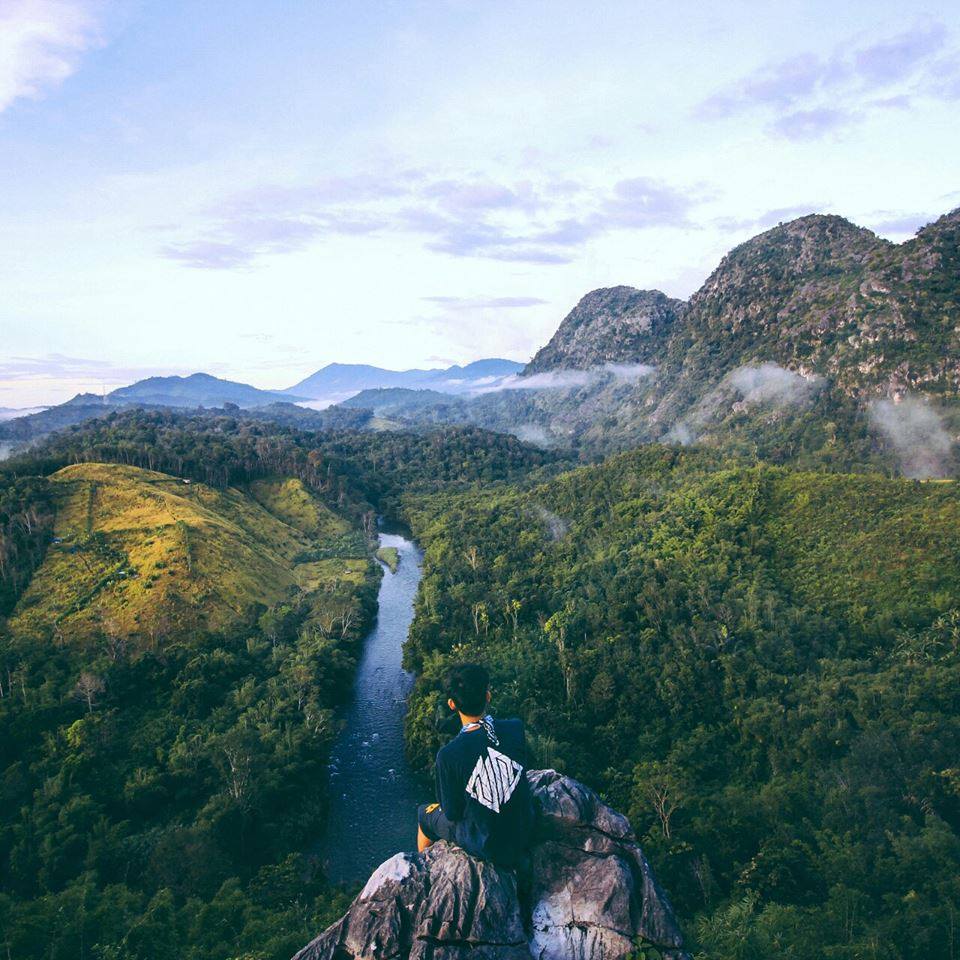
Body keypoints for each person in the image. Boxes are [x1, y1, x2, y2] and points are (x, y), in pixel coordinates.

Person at [416, 663, 534, 867]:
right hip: (525, 827)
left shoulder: (448, 755)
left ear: (452, 704)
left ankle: (427, 870)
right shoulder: (515, 727)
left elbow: (452, 813)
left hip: (487, 845)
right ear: (488, 696)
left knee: (423, 814)